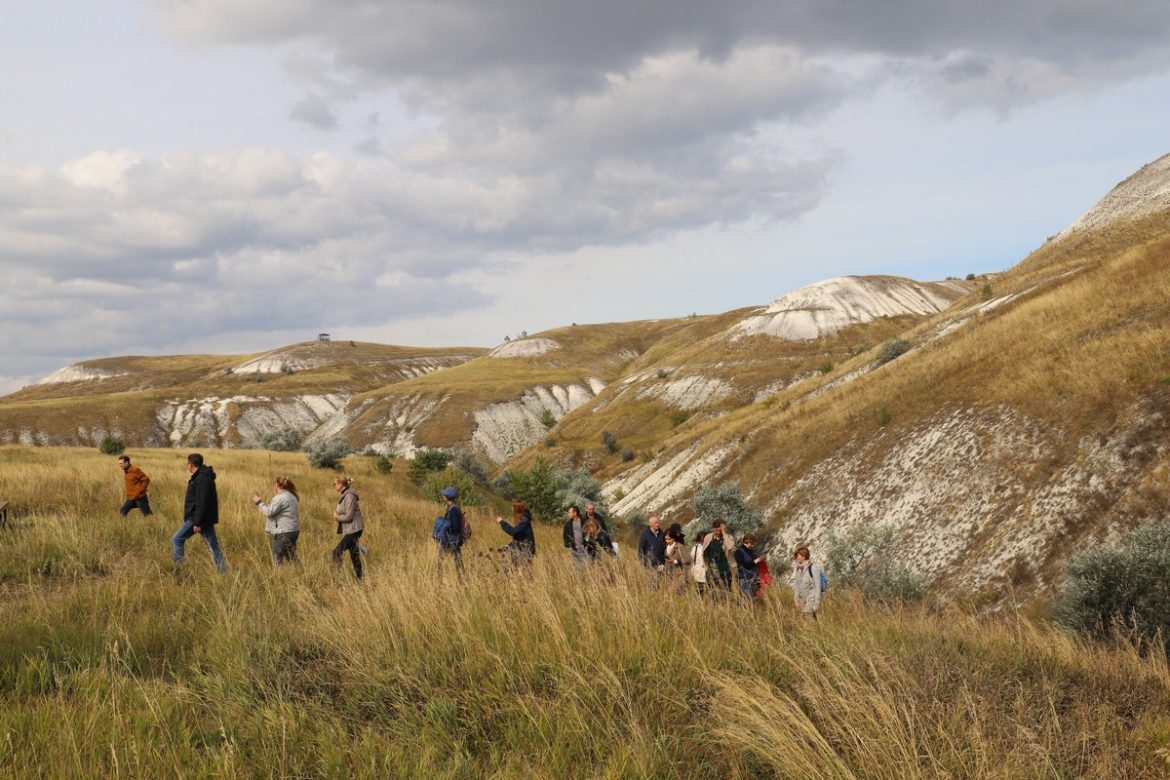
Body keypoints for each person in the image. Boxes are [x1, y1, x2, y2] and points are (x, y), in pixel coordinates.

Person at [172, 453, 227, 574]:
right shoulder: (203, 476)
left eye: (188, 464)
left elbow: (201, 502)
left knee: (177, 539)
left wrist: (197, 522)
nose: (187, 466)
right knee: (213, 546)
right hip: (203, 518)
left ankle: (179, 571)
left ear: (191, 464)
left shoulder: (201, 478)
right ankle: (222, 572)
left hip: (197, 518)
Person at [251, 476, 300, 565]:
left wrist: (259, 502)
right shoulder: (292, 496)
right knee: (291, 556)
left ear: (277, 486)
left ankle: (279, 577)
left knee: (277, 556)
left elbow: (269, 512)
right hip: (293, 531)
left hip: (283, 532)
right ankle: (300, 573)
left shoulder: (280, 498)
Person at [331, 475, 364, 580]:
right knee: (354, 555)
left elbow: (349, 516)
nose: (334, 486)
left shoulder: (349, 496)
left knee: (336, 552)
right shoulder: (345, 494)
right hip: (351, 529)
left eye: (335, 484)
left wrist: (337, 517)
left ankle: (340, 576)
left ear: (341, 484)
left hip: (353, 530)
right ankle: (361, 578)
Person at [438, 486, 465, 579]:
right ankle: (461, 580)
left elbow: (456, 526)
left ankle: (440, 580)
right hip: (453, 538)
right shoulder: (453, 507)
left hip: (451, 539)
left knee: (442, 561)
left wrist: (445, 527)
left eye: (444, 494)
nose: (443, 495)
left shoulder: (453, 509)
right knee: (458, 562)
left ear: (447, 497)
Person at [792, 546, 824, 619]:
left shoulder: (813, 567)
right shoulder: (798, 569)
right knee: (811, 619)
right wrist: (796, 598)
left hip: (812, 598)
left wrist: (817, 602)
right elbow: (797, 584)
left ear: (804, 556)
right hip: (802, 599)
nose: (796, 557)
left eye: (798, 555)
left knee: (805, 617)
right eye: (796, 556)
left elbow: (818, 585)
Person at [702, 521, 733, 591]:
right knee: (712, 590)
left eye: (720, 530)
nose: (718, 532)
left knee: (726, 589)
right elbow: (704, 552)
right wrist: (705, 566)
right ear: (713, 529)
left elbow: (730, 547)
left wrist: (724, 533)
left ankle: (726, 601)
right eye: (716, 530)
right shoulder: (708, 537)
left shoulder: (728, 537)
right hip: (712, 568)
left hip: (724, 568)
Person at [733, 534, 765, 599]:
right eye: (752, 543)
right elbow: (742, 565)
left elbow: (754, 563)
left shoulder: (751, 551)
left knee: (755, 599)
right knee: (747, 599)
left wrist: (760, 560)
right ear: (747, 542)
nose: (753, 545)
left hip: (754, 579)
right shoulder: (738, 552)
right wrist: (756, 561)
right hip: (744, 579)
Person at [663, 527, 692, 592]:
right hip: (668, 576)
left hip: (679, 576)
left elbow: (688, 560)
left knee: (668, 594)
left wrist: (676, 561)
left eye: (669, 539)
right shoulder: (666, 548)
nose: (667, 541)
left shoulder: (680, 547)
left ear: (674, 538)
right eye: (666, 539)